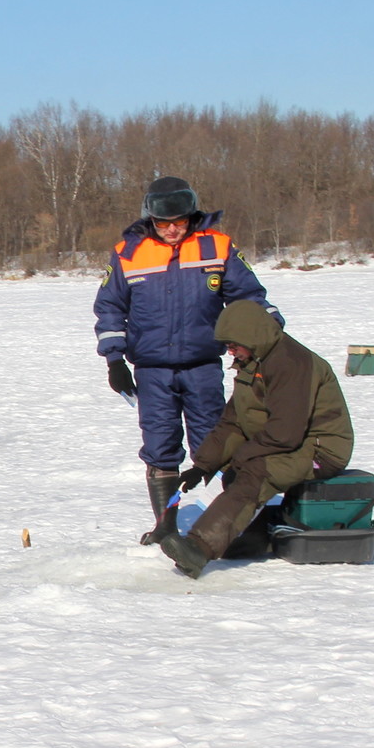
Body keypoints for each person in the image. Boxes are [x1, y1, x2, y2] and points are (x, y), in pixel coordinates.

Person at [94, 176, 282, 545]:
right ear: (150, 219)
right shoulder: (127, 253)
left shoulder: (217, 246)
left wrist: (268, 332)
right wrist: (114, 361)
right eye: (164, 223)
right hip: (152, 370)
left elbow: (248, 298)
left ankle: (234, 525)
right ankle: (166, 525)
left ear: (192, 215)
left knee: (216, 445)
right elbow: (110, 308)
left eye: (180, 221)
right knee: (160, 446)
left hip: (202, 367)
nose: (172, 230)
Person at [158, 301, 353, 580]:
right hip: (291, 442)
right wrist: (203, 465)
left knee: (256, 473)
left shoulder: (290, 363)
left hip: (321, 449)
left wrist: (242, 459)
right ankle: (247, 541)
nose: (230, 352)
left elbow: (286, 432)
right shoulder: (254, 363)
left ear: (252, 336)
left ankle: (198, 549)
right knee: (237, 474)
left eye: (233, 345)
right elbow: (234, 422)